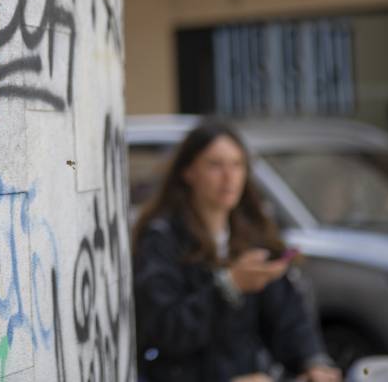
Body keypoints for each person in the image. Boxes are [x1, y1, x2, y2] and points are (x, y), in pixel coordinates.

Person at [132, 121, 341, 382]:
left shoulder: (251, 236)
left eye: (237, 165)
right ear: (188, 172)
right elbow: (164, 329)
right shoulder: (162, 238)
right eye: (215, 165)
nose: (229, 177)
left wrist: (312, 362)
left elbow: (288, 316)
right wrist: (229, 286)